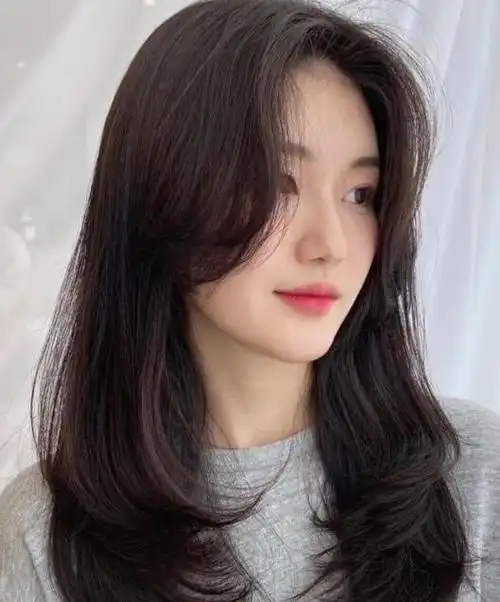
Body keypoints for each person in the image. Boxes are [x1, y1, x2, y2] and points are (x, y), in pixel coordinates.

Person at [1, 0, 499, 600]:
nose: (330, 245)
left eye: (360, 194)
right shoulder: (44, 533)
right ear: (163, 190)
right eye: (276, 184)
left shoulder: (474, 478)